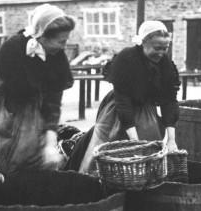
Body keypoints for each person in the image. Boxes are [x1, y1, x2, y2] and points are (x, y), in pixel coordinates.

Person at [0, 4, 75, 175]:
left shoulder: (57, 60)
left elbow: (52, 104)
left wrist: (51, 144)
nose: (64, 46)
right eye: (61, 41)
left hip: (30, 116)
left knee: (26, 165)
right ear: (43, 36)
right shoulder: (13, 49)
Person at [66, 20, 180, 173]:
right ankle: (92, 181)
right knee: (106, 148)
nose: (161, 52)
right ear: (143, 43)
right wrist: (135, 142)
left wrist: (172, 140)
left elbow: (169, 101)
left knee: (147, 154)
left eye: (165, 48)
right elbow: (123, 102)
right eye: (156, 48)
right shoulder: (127, 59)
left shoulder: (165, 64)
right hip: (118, 111)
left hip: (146, 111)